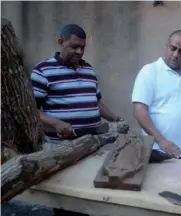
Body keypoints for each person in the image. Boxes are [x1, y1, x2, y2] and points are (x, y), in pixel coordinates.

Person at [30, 24, 124, 216]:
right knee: (68, 202)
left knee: (88, 199)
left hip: (92, 147)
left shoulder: (88, 70)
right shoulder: (43, 71)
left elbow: (96, 102)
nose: (79, 52)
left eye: (82, 47)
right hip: (63, 150)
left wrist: (114, 118)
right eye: (74, 47)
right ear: (60, 42)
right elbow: (31, 111)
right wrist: (55, 123)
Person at [132, 30, 181, 160]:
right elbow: (139, 110)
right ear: (166, 46)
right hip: (157, 151)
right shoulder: (150, 71)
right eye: (173, 48)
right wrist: (161, 141)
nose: (175, 55)